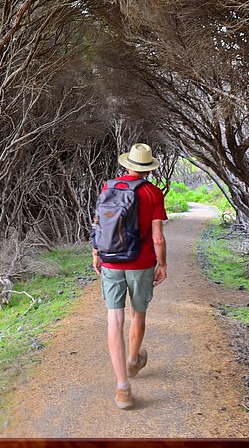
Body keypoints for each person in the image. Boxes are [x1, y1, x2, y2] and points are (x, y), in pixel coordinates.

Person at [92, 143, 168, 410]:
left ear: (127, 165)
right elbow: (157, 236)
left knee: (115, 318)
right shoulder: (153, 192)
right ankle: (133, 361)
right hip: (142, 263)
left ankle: (123, 388)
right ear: (149, 169)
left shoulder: (108, 187)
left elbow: (99, 223)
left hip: (111, 261)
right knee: (138, 313)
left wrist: (96, 254)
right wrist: (163, 264)